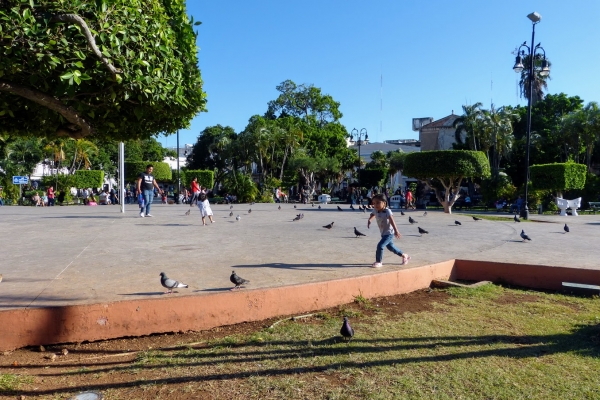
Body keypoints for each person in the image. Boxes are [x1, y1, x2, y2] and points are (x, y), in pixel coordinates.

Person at [367, 194, 410, 268]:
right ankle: (404, 255)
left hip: (389, 233)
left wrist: (396, 231)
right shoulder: (376, 210)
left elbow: (392, 220)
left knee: (380, 246)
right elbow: (372, 214)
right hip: (383, 233)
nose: (375, 205)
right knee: (391, 247)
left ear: (384, 202)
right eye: (374, 203)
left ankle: (379, 261)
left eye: (378, 202)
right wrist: (369, 220)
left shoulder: (387, 211)